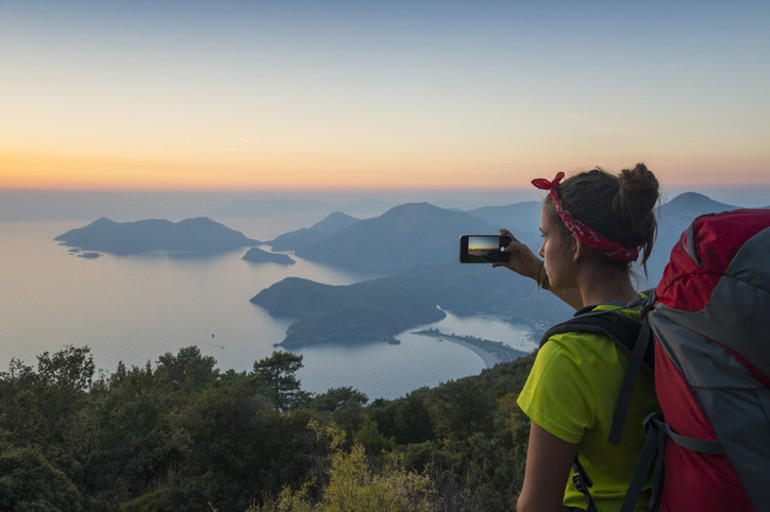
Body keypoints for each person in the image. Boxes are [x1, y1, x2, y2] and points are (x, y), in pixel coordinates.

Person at [494, 164, 660, 512]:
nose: (542, 250)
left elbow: (536, 506)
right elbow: (607, 318)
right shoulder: (656, 317)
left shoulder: (567, 356)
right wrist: (536, 271)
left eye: (546, 236)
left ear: (577, 245)